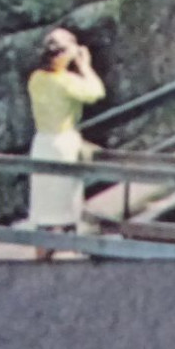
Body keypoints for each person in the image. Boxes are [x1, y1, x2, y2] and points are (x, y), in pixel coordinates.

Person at [26, 27, 106, 260]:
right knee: (66, 206)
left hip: (41, 144)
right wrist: (85, 67)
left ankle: (40, 258)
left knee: (43, 210)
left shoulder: (36, 79)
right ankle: (68, 252)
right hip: (63, 145)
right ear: (61, 54)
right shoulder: (65, 82)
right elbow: (96, 92)